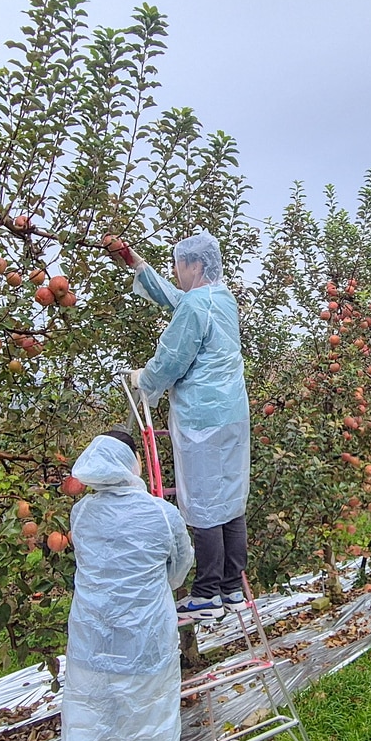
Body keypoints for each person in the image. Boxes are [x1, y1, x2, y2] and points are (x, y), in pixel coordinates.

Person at [57, 431, 198, 741]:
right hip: (148, 653)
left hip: (90, 654)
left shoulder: (82, 512)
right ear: (133, 463)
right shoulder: (162, 513)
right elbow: (178, 572)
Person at [104, 231, 250, 622]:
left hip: (203, 418)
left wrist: (144, 380)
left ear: (196, 265)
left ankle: (206, 594)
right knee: (231, 499)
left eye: (179, 265)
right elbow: (179, 300)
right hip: (233, 413)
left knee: (202, 502)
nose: (176, 271)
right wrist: (138, 266)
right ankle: (232, 588)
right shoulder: (222, 299)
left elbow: (172, 357)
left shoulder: (198, 305)